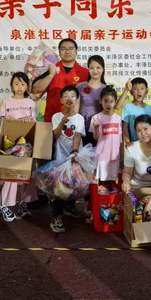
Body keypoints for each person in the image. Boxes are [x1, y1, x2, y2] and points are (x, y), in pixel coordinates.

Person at [0, 72, 38, 222]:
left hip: (27, 144)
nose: (19, 87)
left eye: (23, 84)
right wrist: (5, 118)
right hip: (10, 144)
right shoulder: (6, 102)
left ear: (27, 86)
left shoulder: (31, 103)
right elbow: (1, 120)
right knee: (10, 175)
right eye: (16, 84)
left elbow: (34, 121)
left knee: (28, 174)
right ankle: (4, 204)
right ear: (11, 86)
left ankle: (24, 203)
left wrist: (29, 120)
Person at [50, 85, 86, 233]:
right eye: (66, 96)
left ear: (77, 99)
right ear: (61, 100)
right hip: (60, 159)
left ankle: (69, 208)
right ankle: (56, 218)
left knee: (74, 186)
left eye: (72, 96)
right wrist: (62, 123)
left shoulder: (80, 118)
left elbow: (77, 136)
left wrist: (74, 152)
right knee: (59, 190)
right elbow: (55, 135)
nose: (69, 99)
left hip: (74, 157)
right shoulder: (56, 117)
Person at [32, 38, 89, 123]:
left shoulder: (85, 73)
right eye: (63, 49)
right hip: (51, 121)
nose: (67, 51)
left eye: (71, 48)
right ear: (59, 52)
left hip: (76, 122)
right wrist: (51, 75)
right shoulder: (51, 70)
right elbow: (35, 89)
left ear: (76, 52)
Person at [121, 115, 151, 193]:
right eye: (139, 131)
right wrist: (126, 181)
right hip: (137, 188)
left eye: (145, 129)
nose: (143, 133)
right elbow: (127, 172)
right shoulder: (132, 148)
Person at [90, 87, 122, 186]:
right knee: (101, 182)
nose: (108, 104)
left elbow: (120, 139)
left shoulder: (118, 118)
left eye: (111, 101)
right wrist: (96, 128)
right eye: (106, 101)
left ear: (115, 102)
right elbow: (96, 138)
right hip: (102, 155)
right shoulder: (96, 118)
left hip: (115, 155)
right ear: (100, 101)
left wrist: (122, 154)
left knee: (114, 182)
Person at [76, 55, 108, 145]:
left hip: (99, 129)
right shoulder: (80, 86)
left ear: (103, 69)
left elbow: (115, 107)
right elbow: (75, 109)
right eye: (91, 68)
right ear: (88, 69)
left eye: (98, 67)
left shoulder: (106, 89)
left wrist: (126, 90)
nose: (95, 71)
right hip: (82, 128)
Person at [121, 77, 151, 145]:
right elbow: (125, 128)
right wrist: (127, 142)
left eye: (142, 89)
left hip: (148, 144)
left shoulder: (150, 109)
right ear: (131, 92)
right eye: (135, 89)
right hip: (134, 144)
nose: (139, 91)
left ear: (147, 91)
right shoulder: (127, 107)